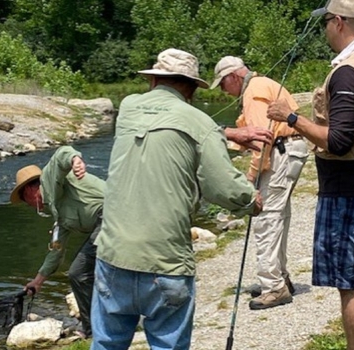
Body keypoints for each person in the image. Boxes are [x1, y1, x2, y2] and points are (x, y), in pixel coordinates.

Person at [91, 48, 262, 350]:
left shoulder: (128, 108)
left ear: (154, 80)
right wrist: (250, 201)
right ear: (193, 87)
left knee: (106, 344)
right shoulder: (200, 123)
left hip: (113, 255)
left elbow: (167, 127)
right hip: (165, 262)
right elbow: (222, 185)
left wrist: (226, 133)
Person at [266, 0, 354, 348]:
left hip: (348, 191)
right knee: (353, 275)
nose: (324, 29)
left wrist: (291, 118)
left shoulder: (348, 73)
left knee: (350, 281)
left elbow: (339, 141)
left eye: (325, 22)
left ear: (338, 22)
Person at [210, 56, 309, 310]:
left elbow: (263, 139)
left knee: (266, 218)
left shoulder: (252, 93)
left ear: (232, 76)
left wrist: (251, 180)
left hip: (280, 153)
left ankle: (274, 287)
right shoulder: (263, 83)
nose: (223, 90)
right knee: (279, 216)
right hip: (292, 149)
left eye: (222, 84)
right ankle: (279, 277)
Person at [10, 145, 105, 339]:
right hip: (106, 223)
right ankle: (108, 321)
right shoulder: (58, 214)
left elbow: (61, 155)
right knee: (98, 271)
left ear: (29, 190)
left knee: (79, 272)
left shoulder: (49, 182)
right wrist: (38, 281)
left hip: (112, 215)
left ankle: (92, 330)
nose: (27, 205)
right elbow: (57, 250)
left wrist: (75, 160)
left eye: (23, 199)